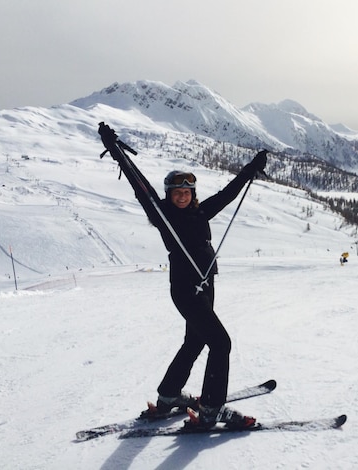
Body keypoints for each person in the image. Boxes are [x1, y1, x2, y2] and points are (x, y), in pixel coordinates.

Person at [105, 129, 267, 429]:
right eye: (176, 192)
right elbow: (139, 185)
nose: (182, 196)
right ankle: (211, 409)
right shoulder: (163, 215)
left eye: (187, 192)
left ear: (193, 194)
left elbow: (229, 193)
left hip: (206, 284)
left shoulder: (201, 212)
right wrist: (115, 150)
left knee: (195, 341)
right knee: (221, 343)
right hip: (185, 289)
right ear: (168, 195)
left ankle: (168, 395)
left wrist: (251, 169)